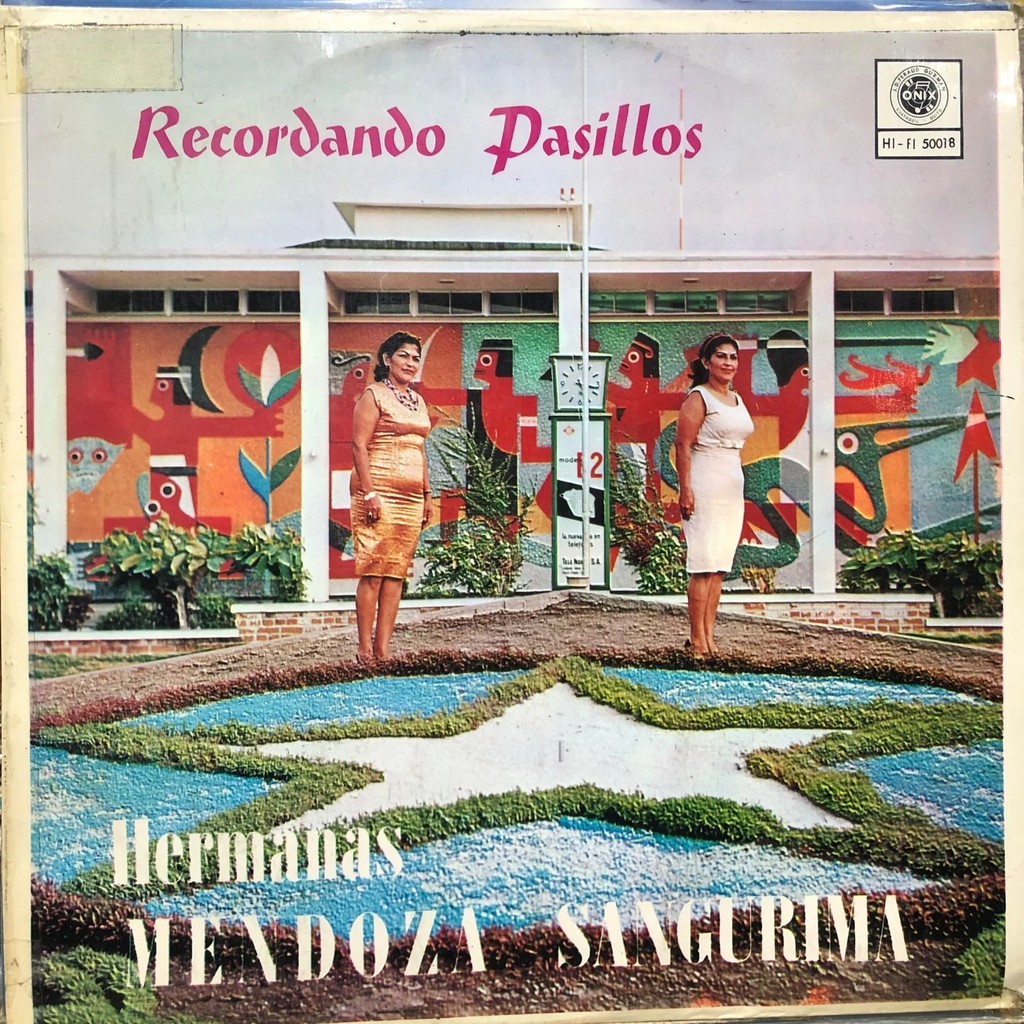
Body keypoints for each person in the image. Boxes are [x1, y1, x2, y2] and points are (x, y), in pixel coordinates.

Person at [351, 332, 432, 663]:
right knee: (373, 570)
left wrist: (427, 494)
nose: (410, 363)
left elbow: (420, 449)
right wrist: (369, 492)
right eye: (404, 356)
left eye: (415, 358)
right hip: (378, 492)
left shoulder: (419, 401)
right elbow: (358, 445)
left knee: (396, 572)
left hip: (411, 499)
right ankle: (364, 650)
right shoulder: (373, 395)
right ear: (387, 359)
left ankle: (383, 650)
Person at [674, 334, 754, 657]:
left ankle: (709, 637)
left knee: (719, 565)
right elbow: (683, 445)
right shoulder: (698, 398)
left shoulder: (736, 399)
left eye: (733, 357)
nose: (728, 362)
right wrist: (686, 490)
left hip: (731, 484)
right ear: (707, 362)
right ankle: (696, 640)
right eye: (721, 356)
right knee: (704, 563)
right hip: (704, 482)